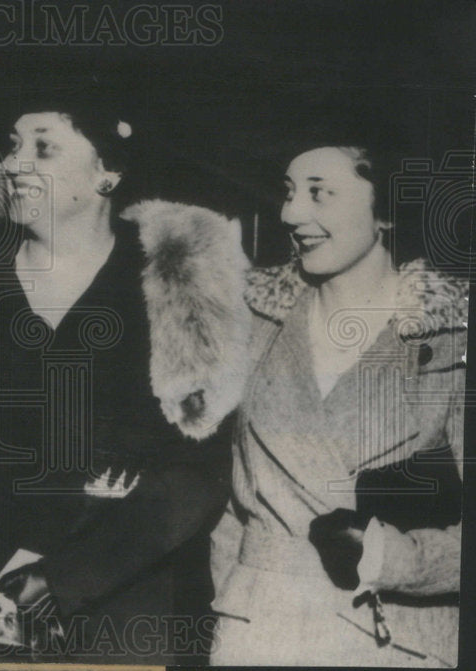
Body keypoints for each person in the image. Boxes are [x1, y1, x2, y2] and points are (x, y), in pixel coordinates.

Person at [0, 90, 251, 664]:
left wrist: (62, 580)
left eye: (44, 148)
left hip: (120, 614)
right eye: (12, 147)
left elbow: (196, 471)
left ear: (108, 173)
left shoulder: (172, 286)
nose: (13, 164)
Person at [209, 143, 466, 666]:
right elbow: (232, 508)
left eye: (319, 193)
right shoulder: (255, 322)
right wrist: (230, 606)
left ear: (386, 213)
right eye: (288, 192)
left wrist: (388, 557)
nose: (291, 213)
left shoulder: (453, 340)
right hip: (257, 631)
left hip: (390, 638)